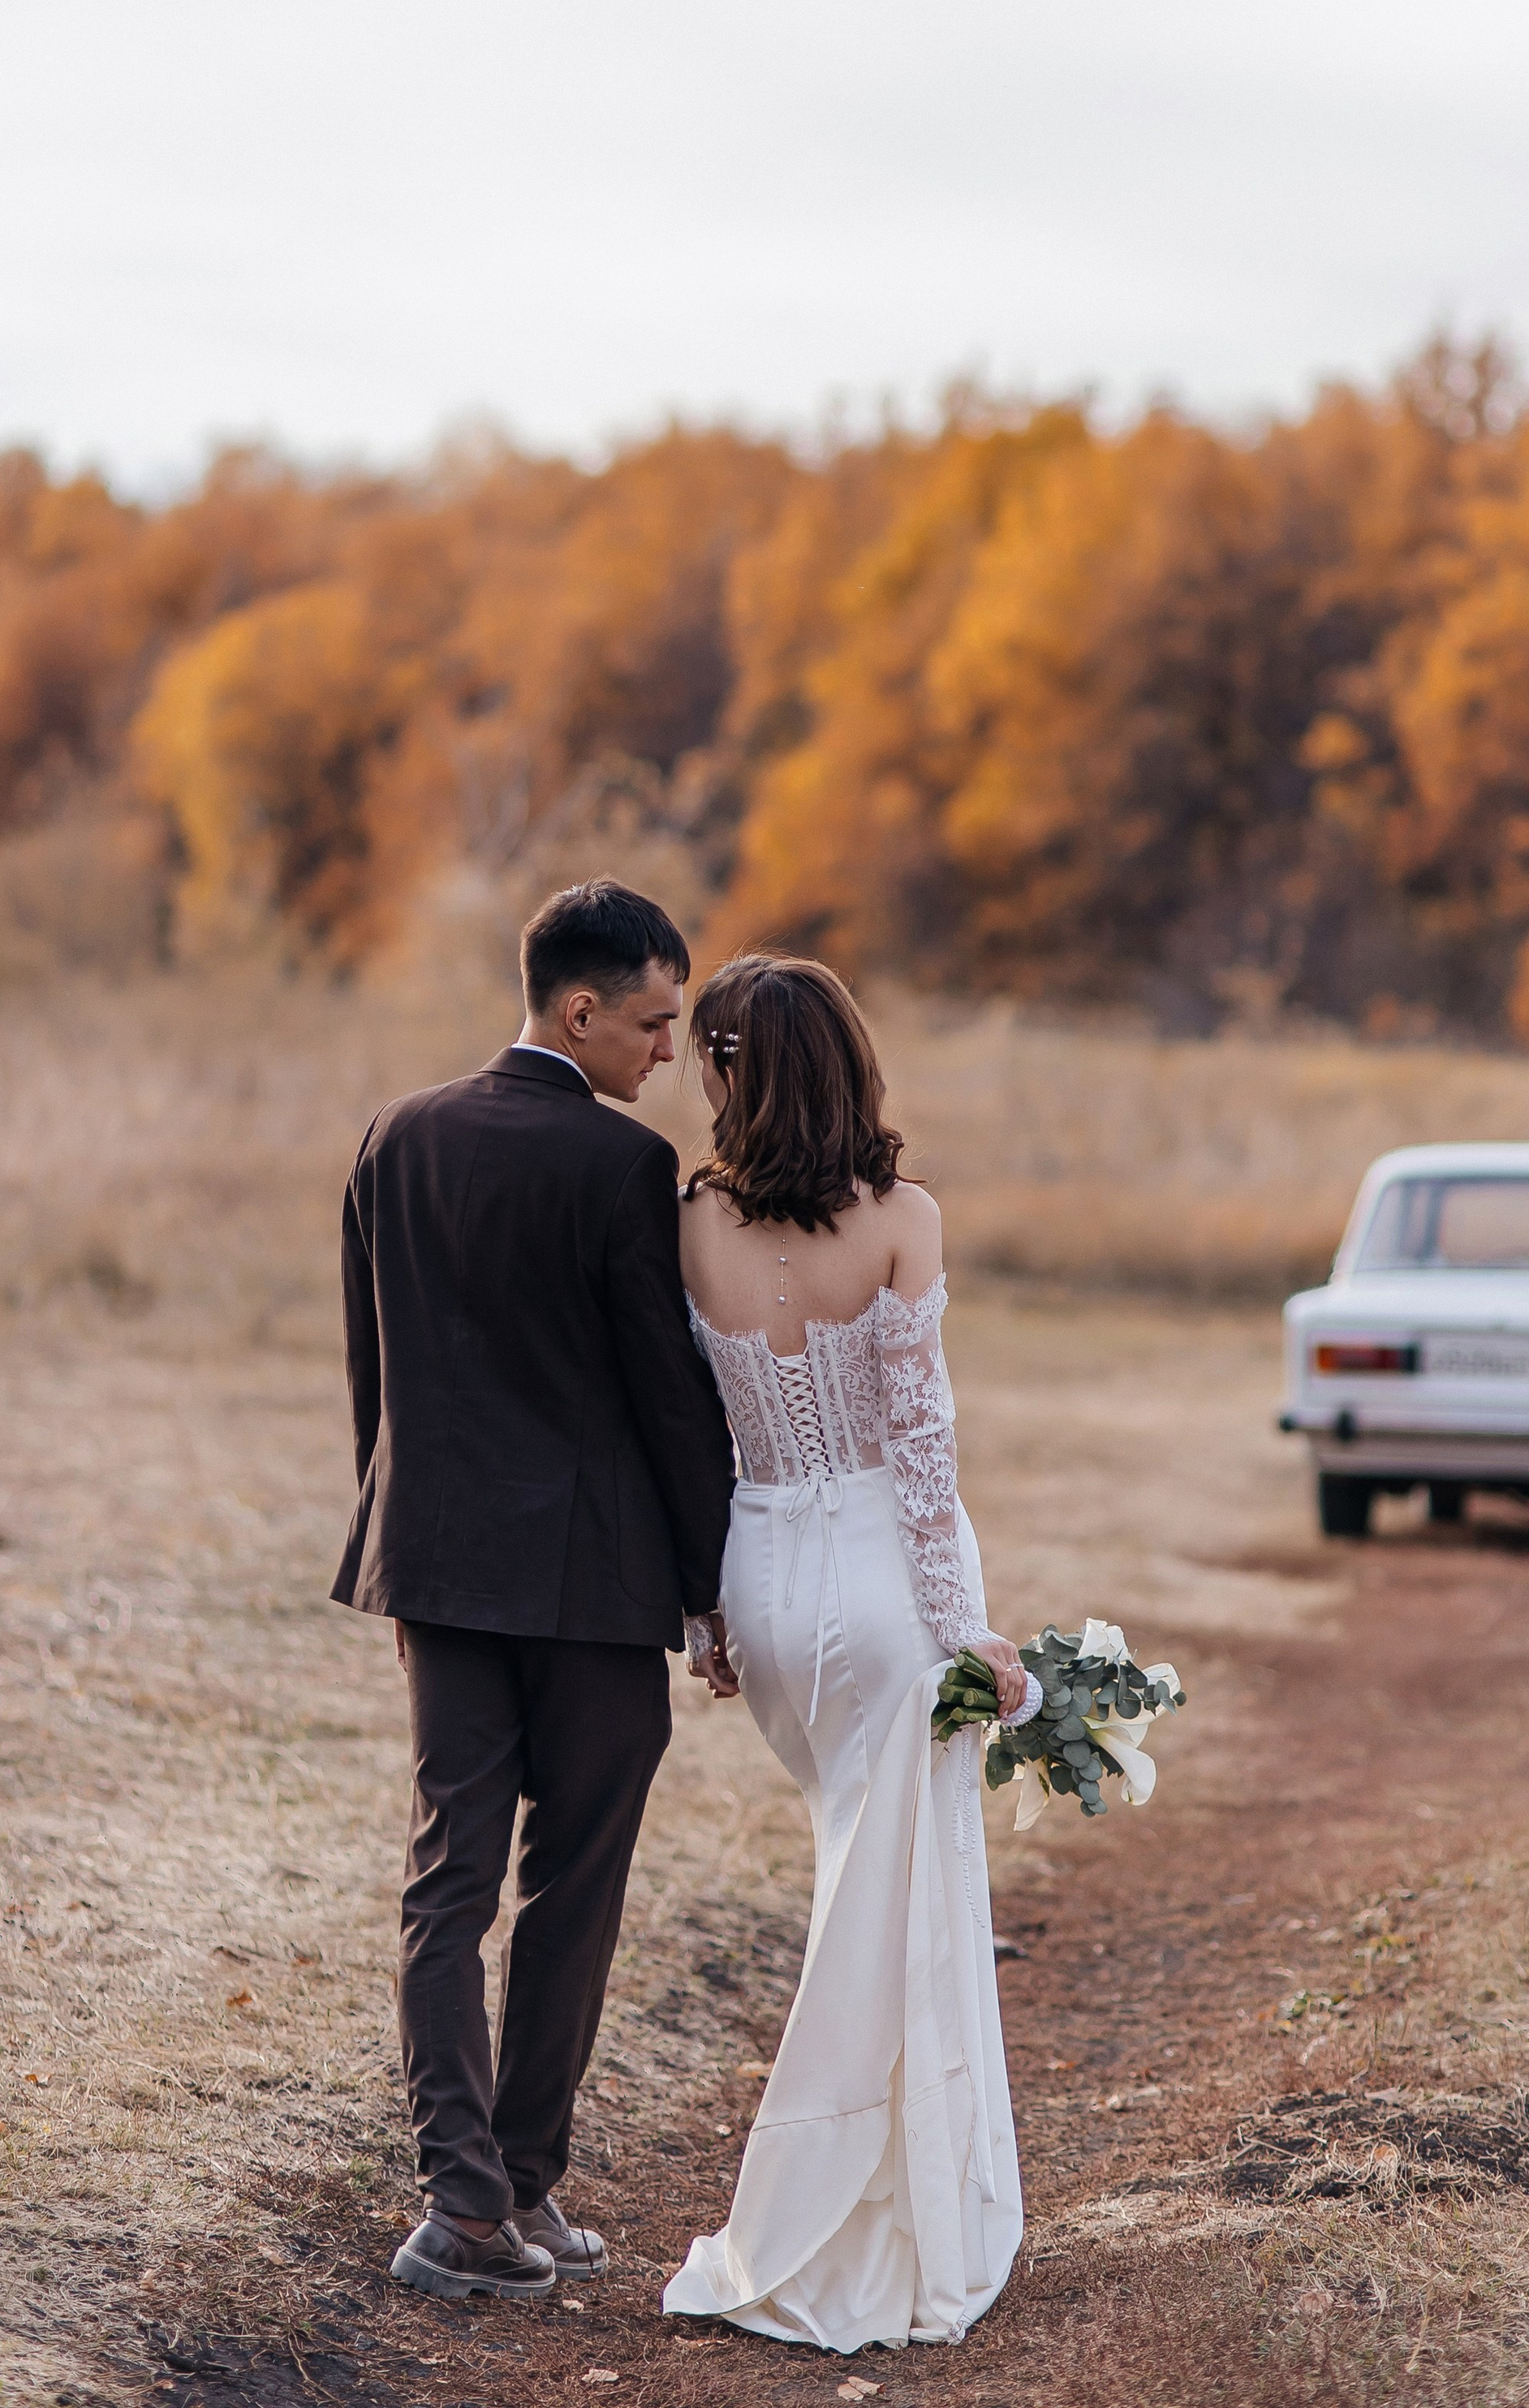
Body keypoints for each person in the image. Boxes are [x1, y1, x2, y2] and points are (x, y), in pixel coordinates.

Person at [333, 878, 738, 2304]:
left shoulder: (395, 1135)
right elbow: (668, 1397)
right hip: (589, 1586)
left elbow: (374, 1370)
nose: (669, 1050)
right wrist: (712, 1588)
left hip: (438, 1570)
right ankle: (511, 2180)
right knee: (574, 1881)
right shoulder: (622, 1167)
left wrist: (395, 1547)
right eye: (654, 1021)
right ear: (578, 1011)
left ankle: (473, 2200)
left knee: (448, 1876)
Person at [661, 954, 1027, 2350]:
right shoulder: (902, 1218)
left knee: (856, 1879)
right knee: (904, 1899)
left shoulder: (689, 1222)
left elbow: (695, 1438)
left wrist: (709, 1619)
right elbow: (923, 1459)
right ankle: (857, 2209)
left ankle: (869, 2187)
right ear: (847, 1063)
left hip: (763, 1578)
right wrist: (964, 1630)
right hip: (883, 1586)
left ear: (732, 1072)